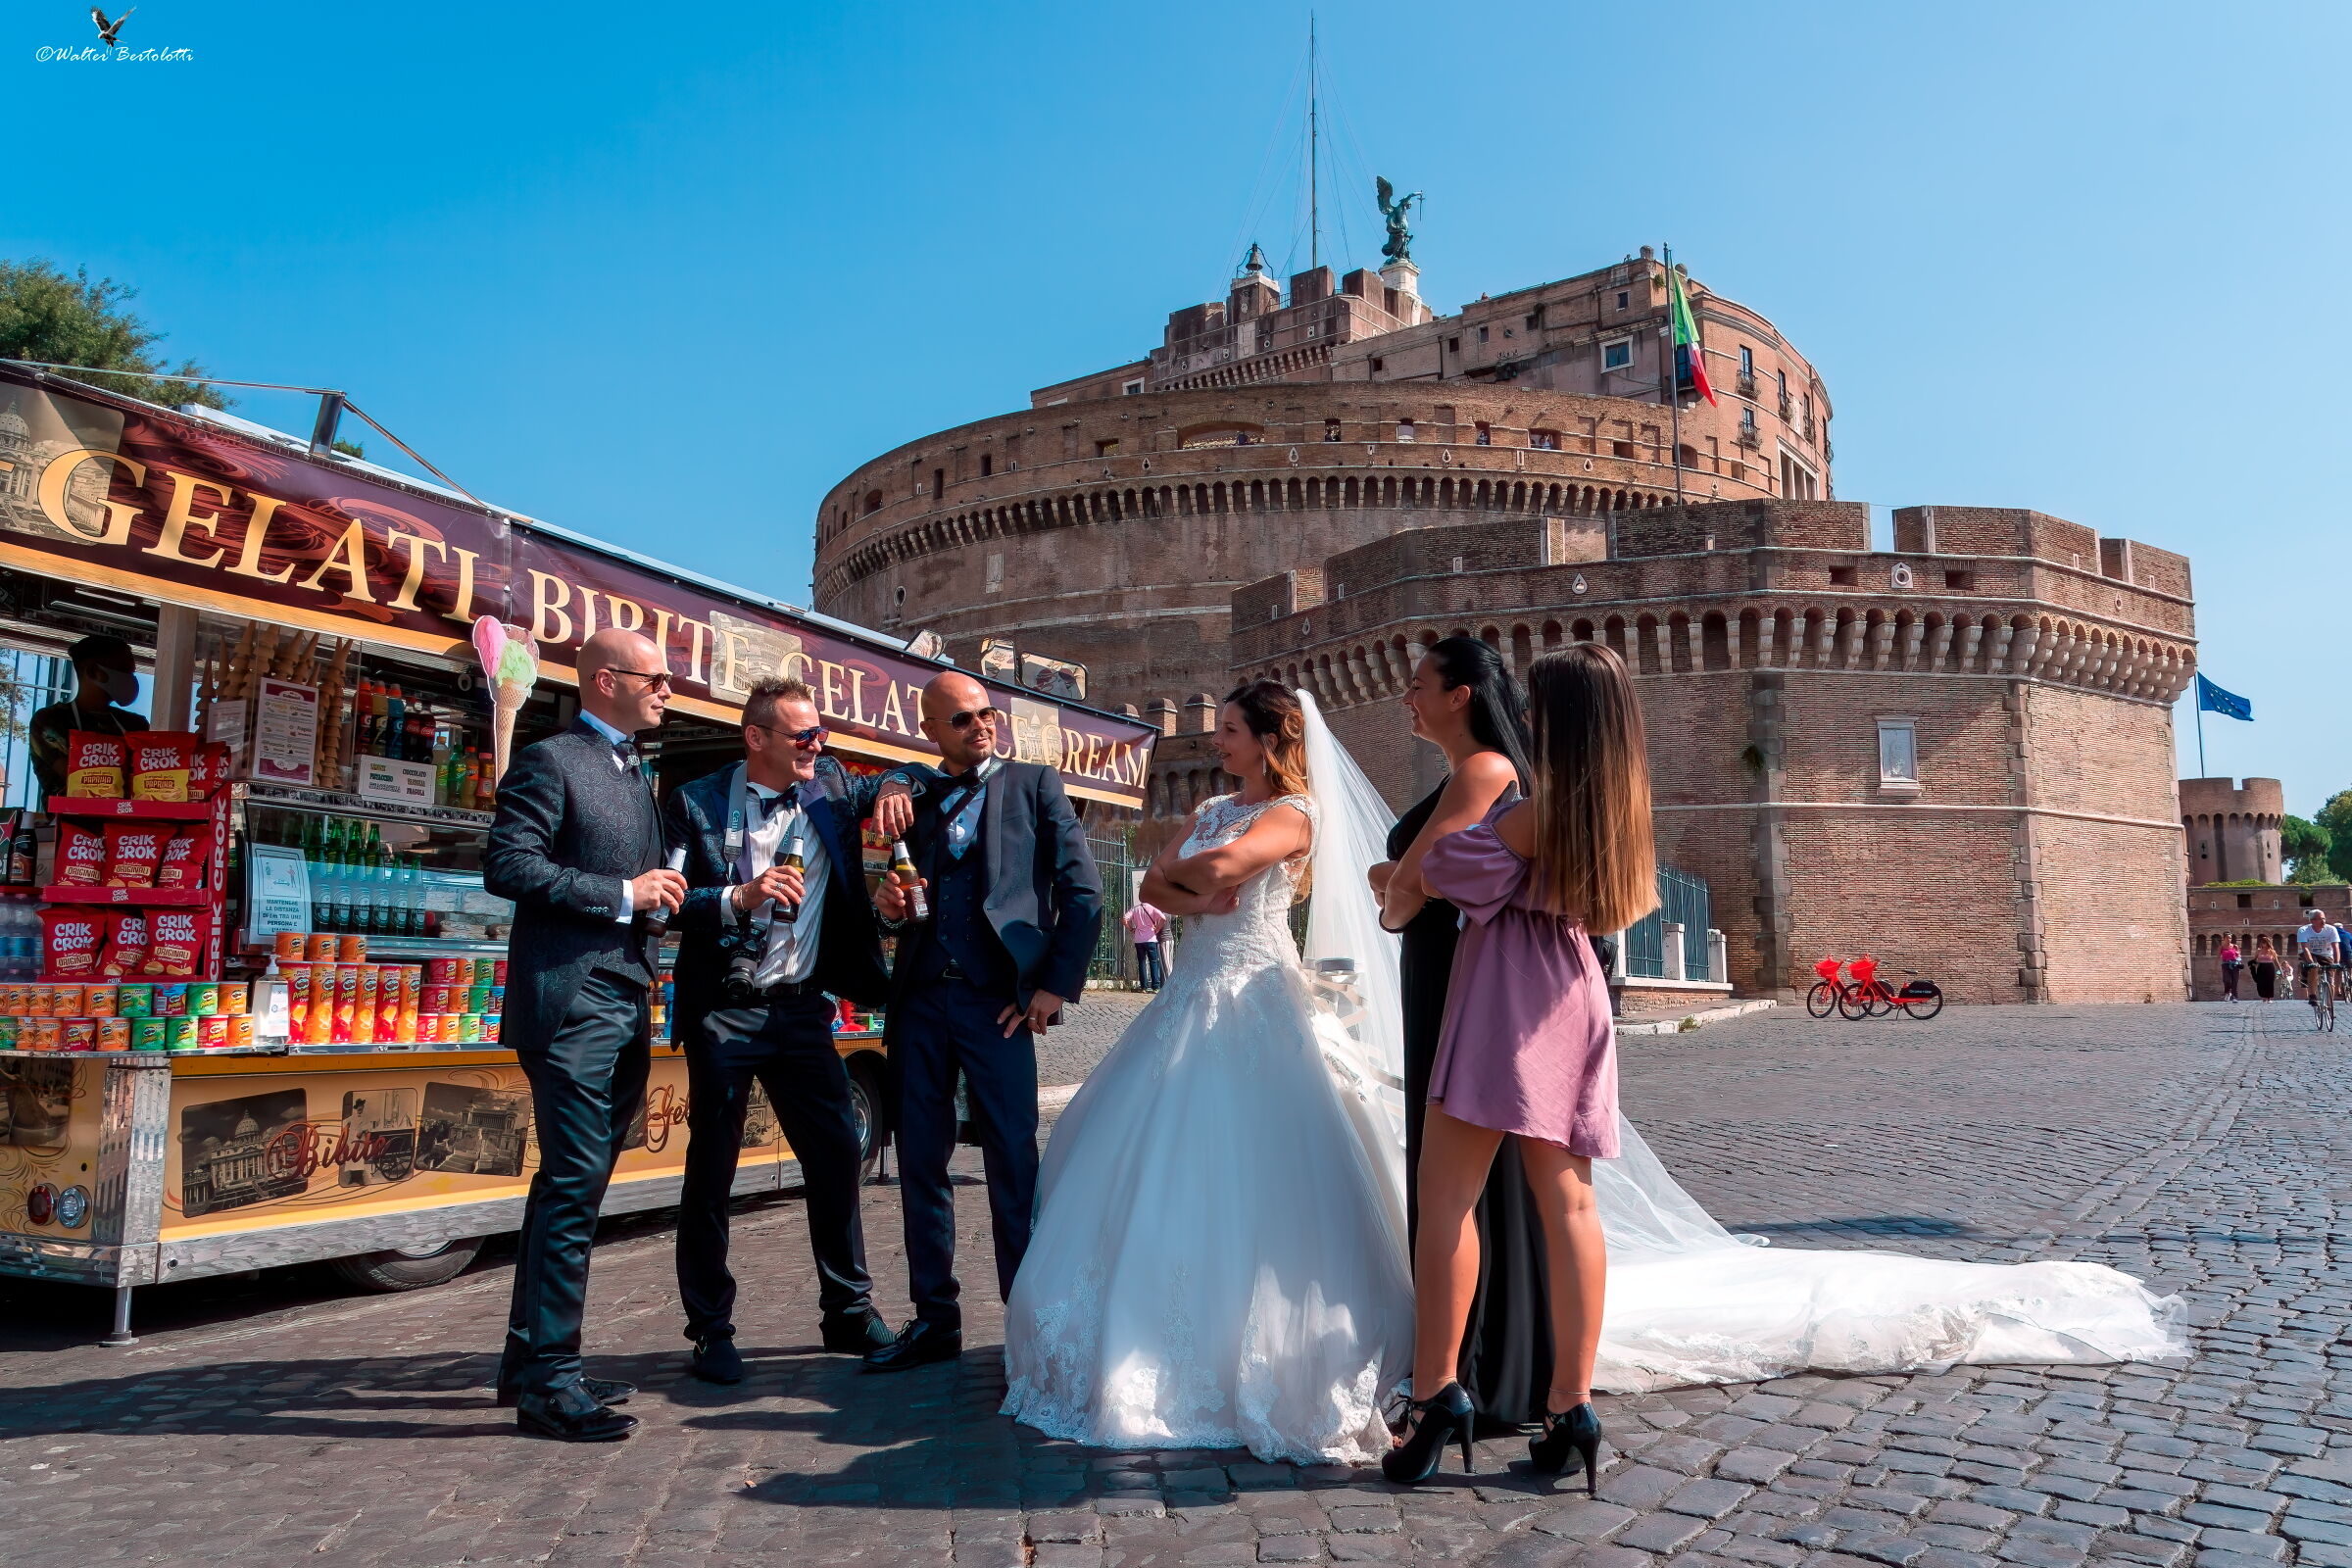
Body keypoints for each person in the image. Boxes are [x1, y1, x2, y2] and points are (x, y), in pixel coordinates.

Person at [1000, 680, 1412, 1464]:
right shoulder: (1211, 807)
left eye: (1228, 731)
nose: (1216, 742)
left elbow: (1219, 867)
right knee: (1148, 1154)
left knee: (1258, 1164)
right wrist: (1193, 882)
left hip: (1256, 999)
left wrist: (1194, 878)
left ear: (1267, 740)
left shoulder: (1296, 813)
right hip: (1190, 995)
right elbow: (1151, 886)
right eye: (1217, 729)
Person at [1386, 644, 1646, 1489]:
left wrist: (1418, 867)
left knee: (1446, 1196)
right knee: (1570, 1202)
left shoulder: (1538, 810)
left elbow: (1440, 871)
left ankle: (1435, 1396)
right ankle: (1572, 1405)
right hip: (1575, 990)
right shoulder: (1620, 808)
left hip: (1505, 992)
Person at [662, 677, 916, 1383]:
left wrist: (893, 779)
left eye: (820, 736)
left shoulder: (830, 783)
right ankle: (711, 1329)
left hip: (802, 1007)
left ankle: (847, 1310)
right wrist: (736, 896)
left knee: (839, 1152)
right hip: (724, 1006)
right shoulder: (697, 801)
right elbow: (669, 903)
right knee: (711, 1169)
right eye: (803, 736)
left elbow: (907, 777)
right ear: (757, 738)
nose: (816, 746)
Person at [865, 671, 1102, 1373]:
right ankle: (935, 1320)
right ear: (932, 729)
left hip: (997, 1004)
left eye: (986, 714)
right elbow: (892, 890)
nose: (980, 726)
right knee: (919, 1166)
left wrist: (1051, 988)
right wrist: (887, 908)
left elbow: (1083, 893)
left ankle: (1026, 1328)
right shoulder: (914, 796)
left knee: (1012, 1162)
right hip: (919, 1004)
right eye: (962, 719)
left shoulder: (1034, 785)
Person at [482, 628, 685, 1442]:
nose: (668, 690)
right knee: (571, 1188)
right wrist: (621, 893)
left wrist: (659, 901)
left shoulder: (632, 768)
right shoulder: (550, 759)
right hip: (571, 1005)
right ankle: (551, 1387)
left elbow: (634, 888)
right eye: (656, 679)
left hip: (626, 998)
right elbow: (508, 864)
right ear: (606, 681)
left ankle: (529, 1360)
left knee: (573, 1188)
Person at [1363, 635, 1548, 1430]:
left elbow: (1410, 889)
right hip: (1440, 971)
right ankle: (1479, 1355)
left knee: (1458, 1177)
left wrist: (1398, 889)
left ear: (1461, 695)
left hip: (1453, 978)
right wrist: (1402, 883)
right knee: (1466, 1175)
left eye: (1418, 685)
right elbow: (1412, 877)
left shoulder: (1481, 771)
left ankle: (1476, 1367)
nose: (1406, 698)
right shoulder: (1465, 775)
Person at [28, 633, 147, 802]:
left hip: (126, 823)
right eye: (124, 671)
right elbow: (80, 781)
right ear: (94, 672)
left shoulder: (136, 724)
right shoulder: (50, 721)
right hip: (68, 823)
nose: (132, 680)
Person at [2295, 910, 2340, 1006]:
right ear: (2312, 921)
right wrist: (2311, 962)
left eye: (2323, 918)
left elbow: (2335, 947)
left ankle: (2329, 1005)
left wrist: (2336, 963)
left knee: (2330, 979)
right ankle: (2312, 995)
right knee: (2314, 968)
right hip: (2309, 953)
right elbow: (2305, 947)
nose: (2323, 921)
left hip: (2326, 955)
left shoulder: (2331, 929)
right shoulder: (2303, 930)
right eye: (2320, 919)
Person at [1121, 898, 1167, 991]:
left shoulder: (1135, 909)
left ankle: (1143, 987)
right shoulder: (1153, 908)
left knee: (1141, 962)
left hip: (1139, 940)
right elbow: (1163, 918)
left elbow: (1124, 919)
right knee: (1153, 962)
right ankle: (1155, 986)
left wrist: (1131, 928)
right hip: (1151, 939)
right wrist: (1157, 928)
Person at [2252, 936, 2281, 1000]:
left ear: (2268, 943)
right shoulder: (2258, 951)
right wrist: (2253, 965)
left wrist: (2280, 970)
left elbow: (2276, 961)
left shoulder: (2272, 951)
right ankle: (2264, 996)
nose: (2263, 944)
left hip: (2270, 967)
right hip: (2261, 967)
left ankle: (2269, 997)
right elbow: (2254, 959)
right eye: (2262, 942)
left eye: (2265, 942)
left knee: (2269, 982)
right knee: (2261, 982)